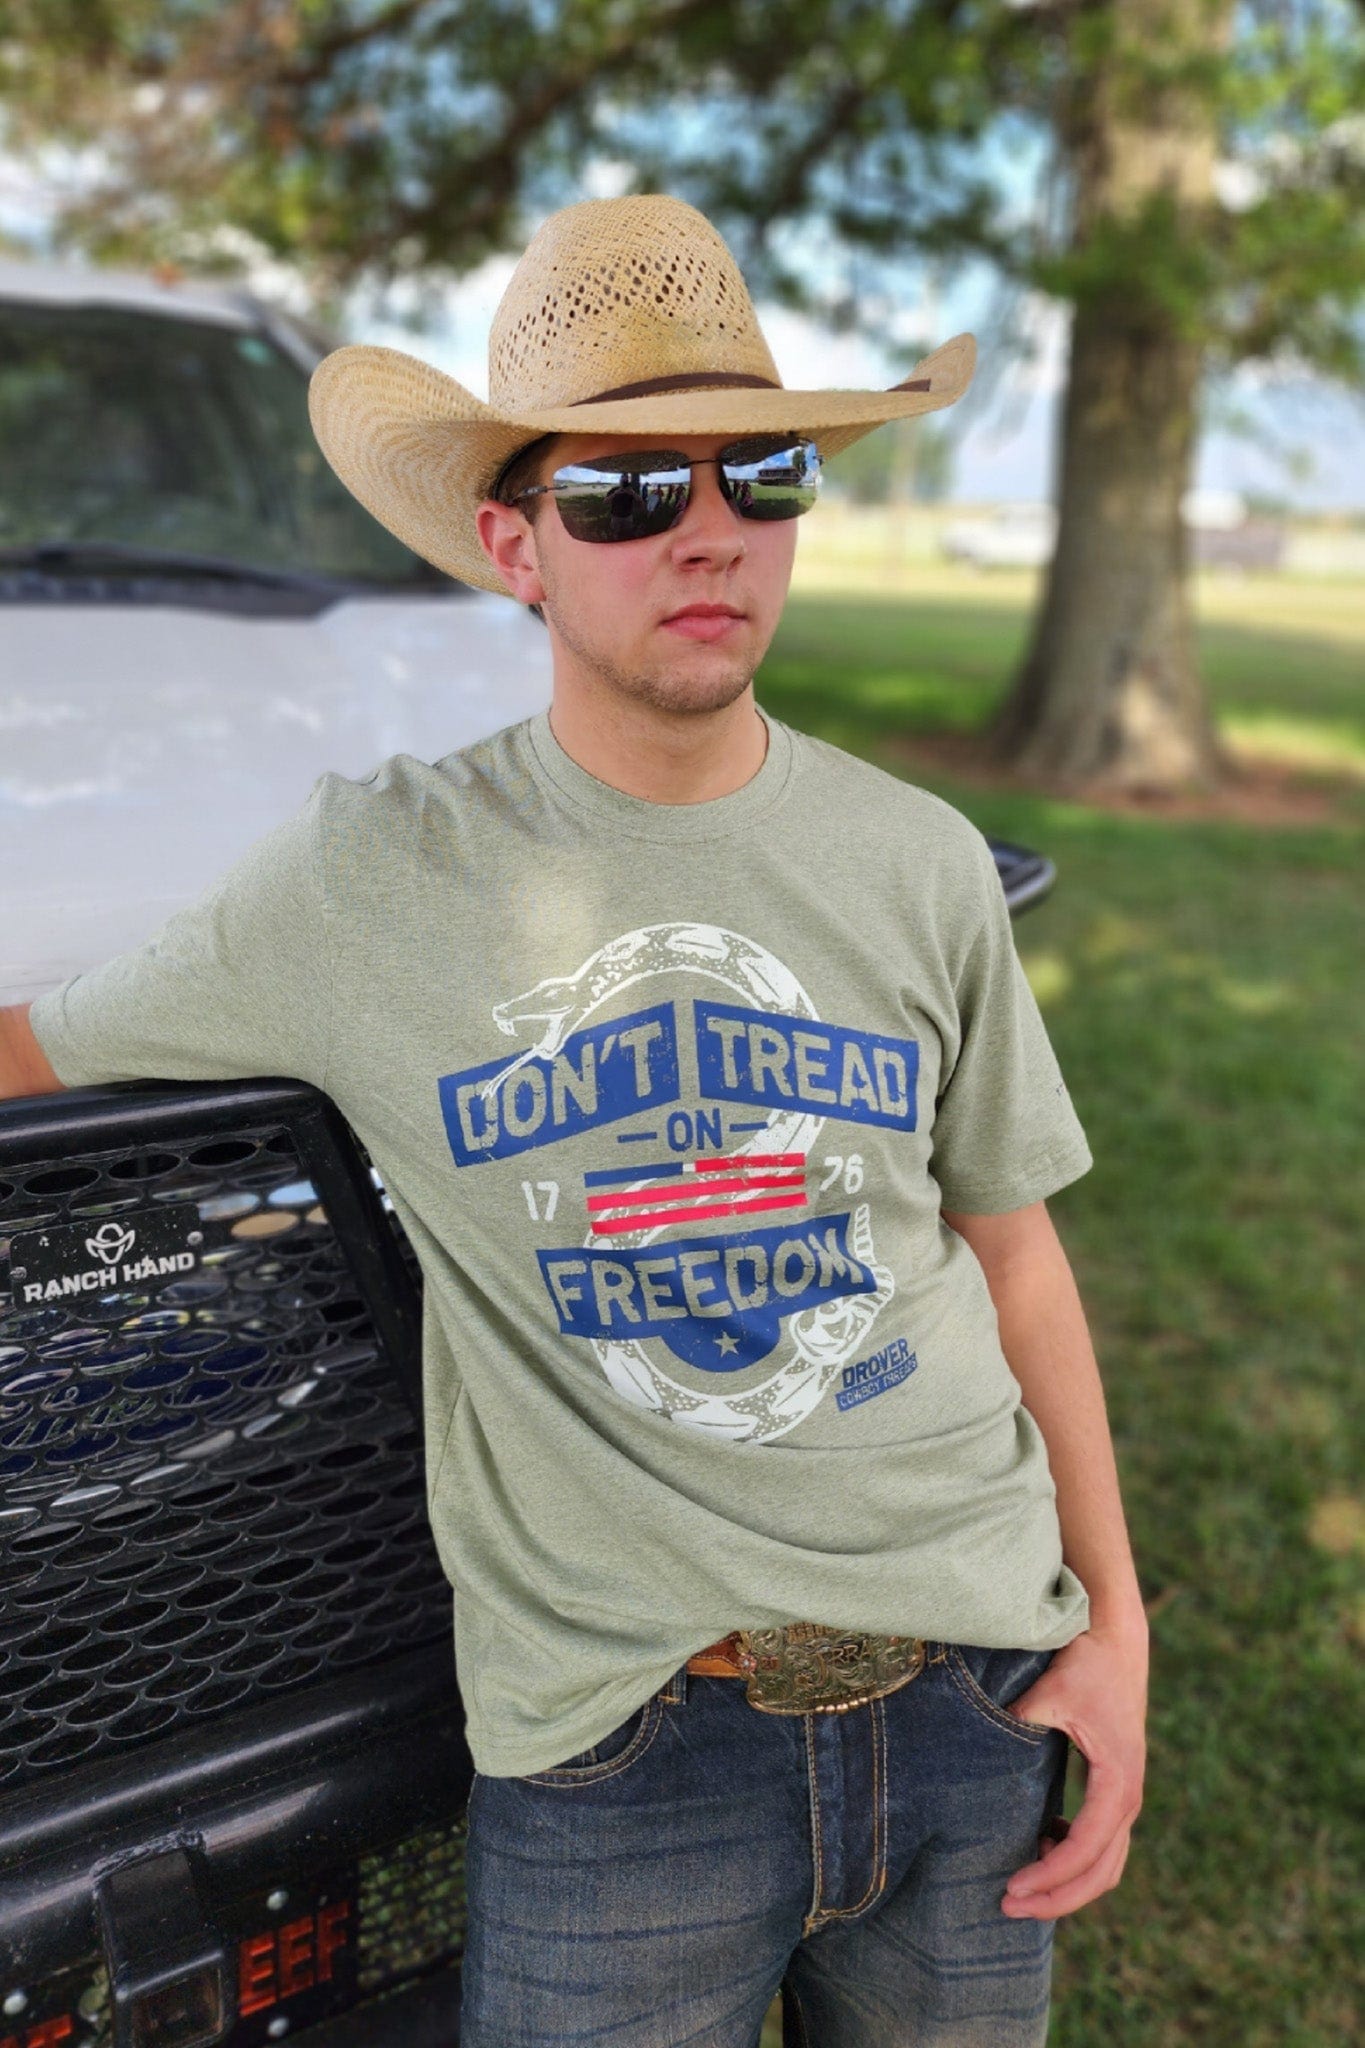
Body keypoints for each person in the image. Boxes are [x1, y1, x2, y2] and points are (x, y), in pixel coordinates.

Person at [1, 194, 1147, 2046]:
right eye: (620, 491)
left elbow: (1010, 1249)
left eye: (760, 474)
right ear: (510, 543)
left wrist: (1114, 1629)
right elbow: (41, 1044)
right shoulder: (370, 877)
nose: (705, 531)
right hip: (625, 1747)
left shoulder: (918, 860)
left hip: (971, 1686)